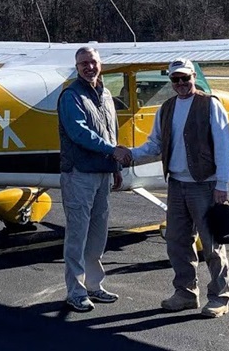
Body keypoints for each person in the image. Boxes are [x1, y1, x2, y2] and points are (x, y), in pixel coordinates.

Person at [118, 58, 229, 318]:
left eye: (185, 78)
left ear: (194, 77)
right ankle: (185, 293)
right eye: (175, 79)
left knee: (212, 245)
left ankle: (219, 296)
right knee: (177, 241)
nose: (181, 83)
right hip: (177, 184)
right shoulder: (166, 108)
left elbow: (224, 147)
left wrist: (222, 184)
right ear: (170, 82)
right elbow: (154, 145)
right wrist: (130, 154)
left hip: (204, 184)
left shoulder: (210, 105)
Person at [57, 46, 131, 312]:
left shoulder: (106, 94)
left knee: (98, 234)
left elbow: (110, 132)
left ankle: (93, 285)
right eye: (83, 63)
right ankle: (75, 291)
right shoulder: (71, 95)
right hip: (78, 173)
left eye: (93, 62)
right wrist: (113, 151)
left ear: (101, 64)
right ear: (77, 68)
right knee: (77, 234)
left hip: (102, 173)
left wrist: (115, 167)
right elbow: (78, 132)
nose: (89, 67)